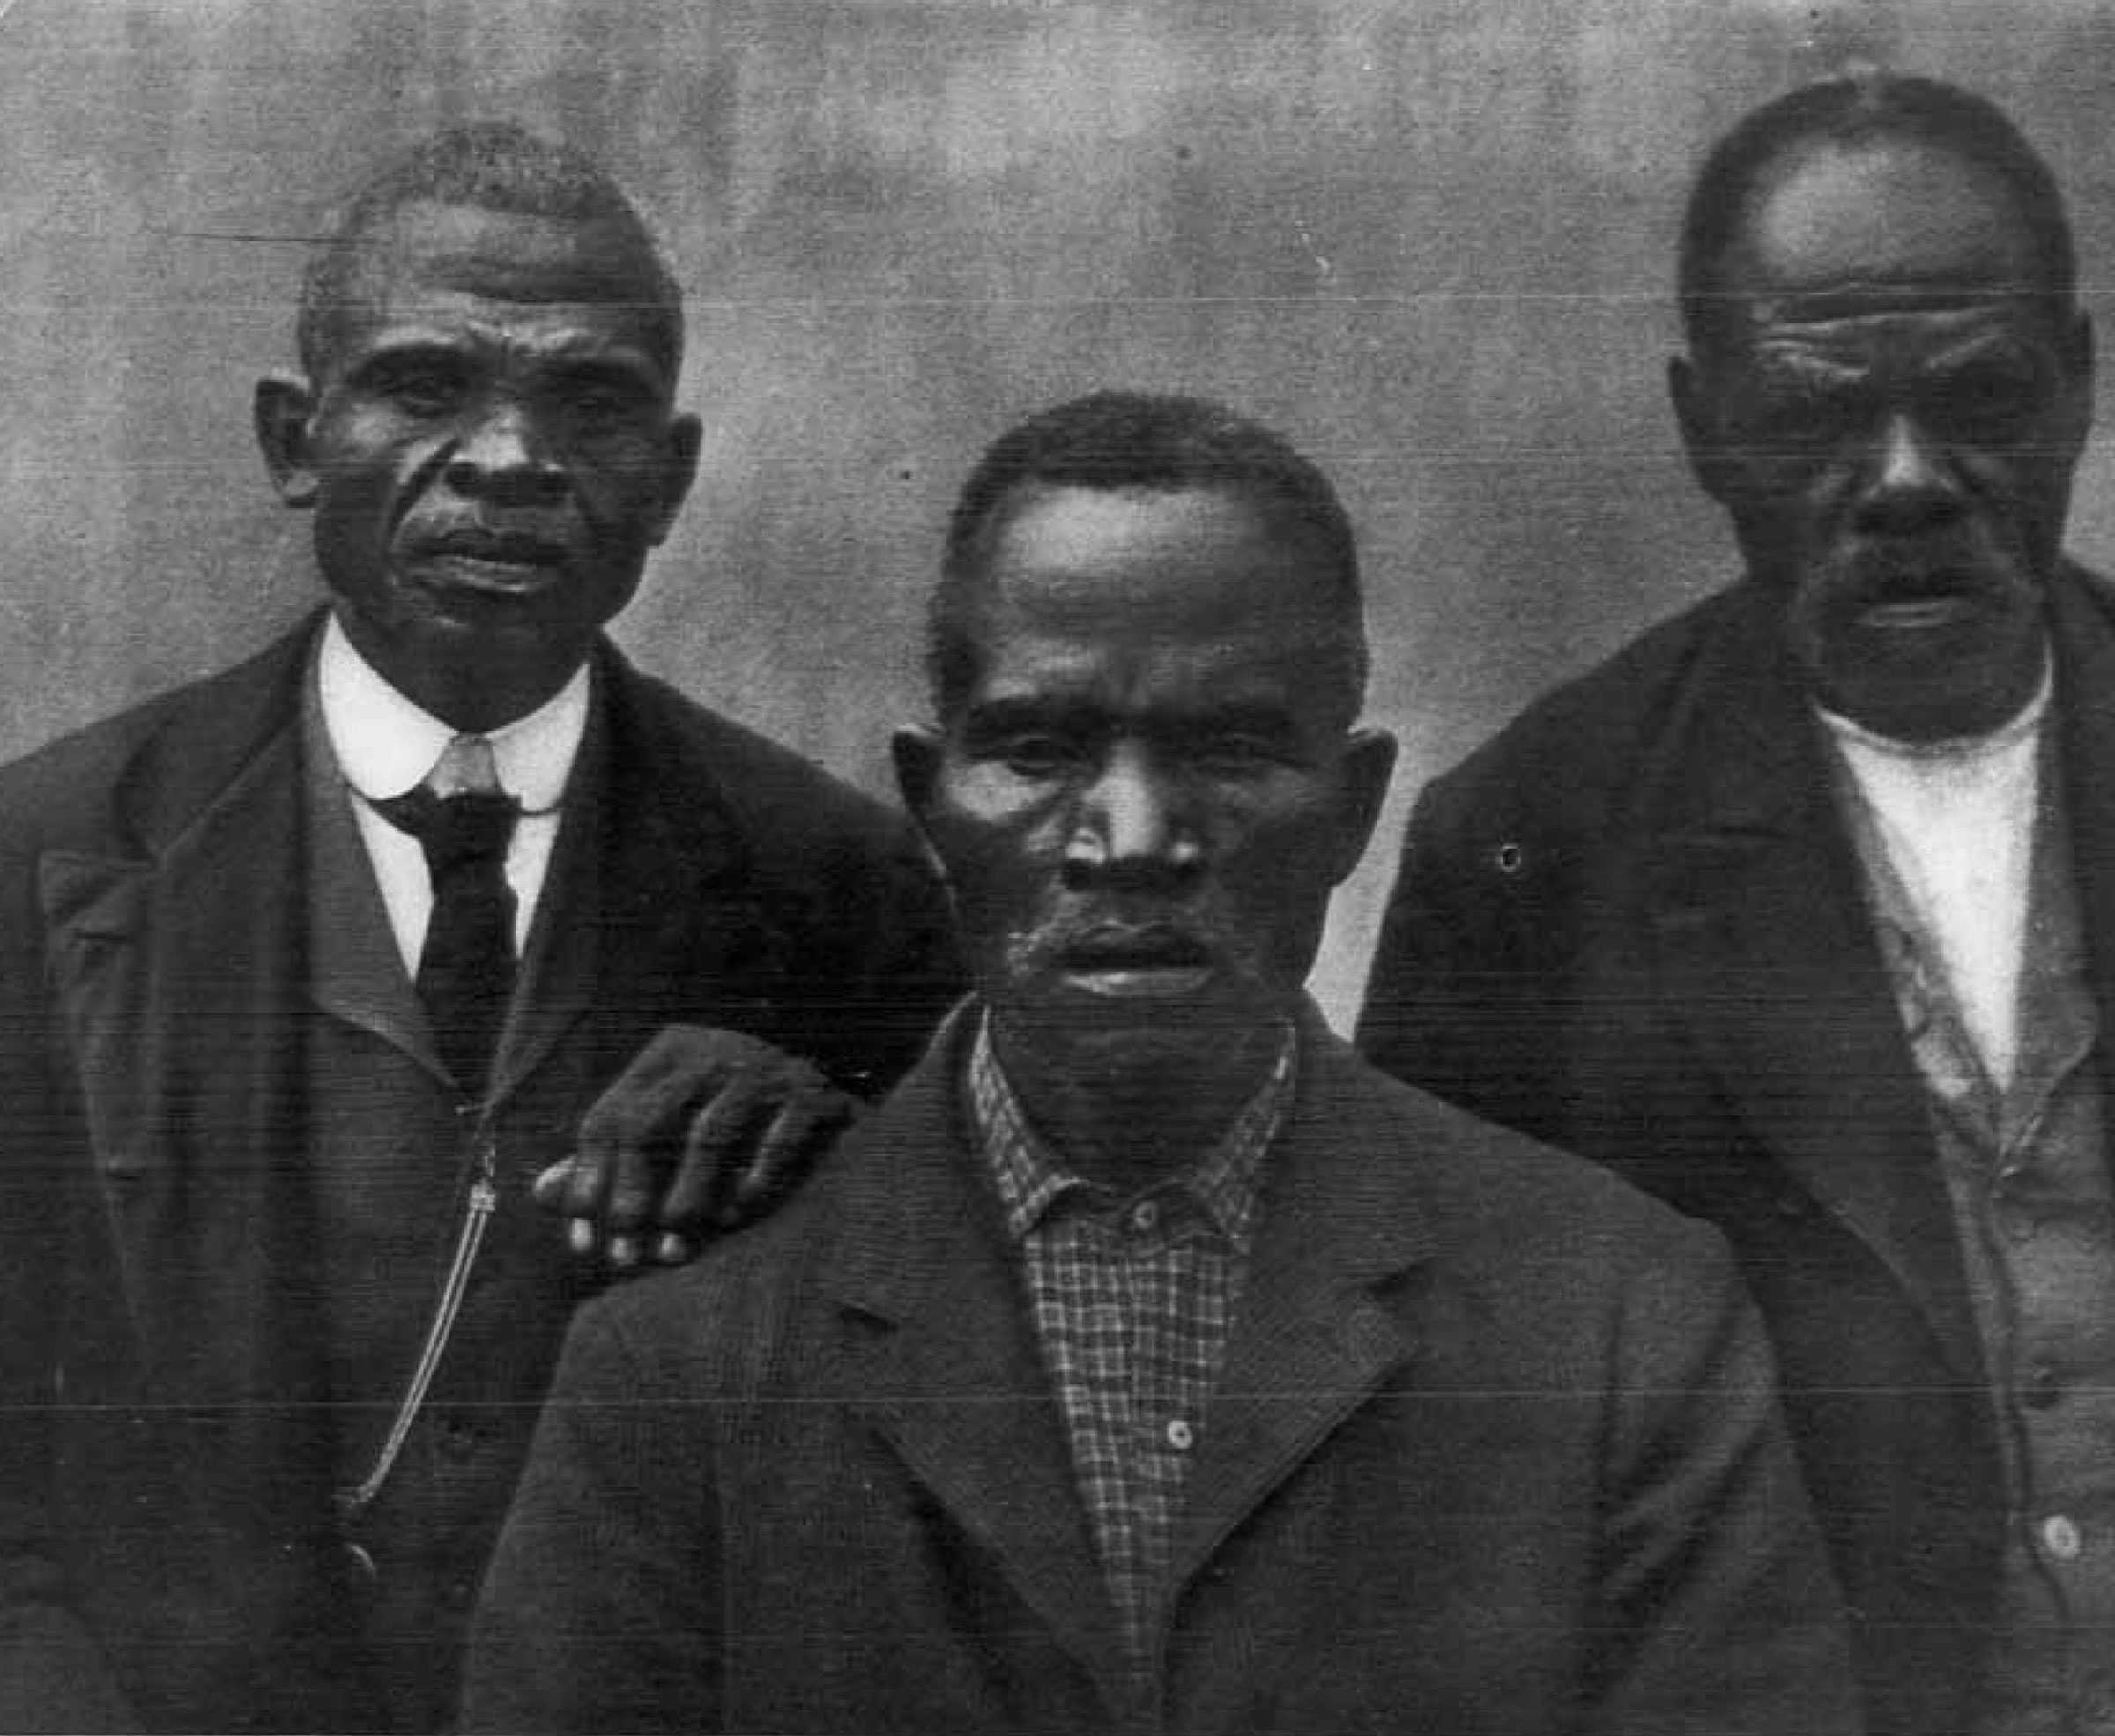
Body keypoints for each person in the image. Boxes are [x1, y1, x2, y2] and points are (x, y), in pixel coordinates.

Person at [461, 390, 1859, 1736]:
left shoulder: (1624, 1323)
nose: (1133, 833)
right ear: (928, 802)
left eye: (1231, 745)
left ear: (1357, 807)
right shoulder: (678, 1365)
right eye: (1040, 746)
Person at [0, 123, 959, 1734]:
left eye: (590, 401)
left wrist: (841, 1155)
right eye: (427, 386)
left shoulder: (841, 889)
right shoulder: (42, 858)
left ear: (672, 471)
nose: (510, 458)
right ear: (297, 438)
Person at [1359, 72, 2112, 1736]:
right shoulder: (1530, 849)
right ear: (1704, 426)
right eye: (1813, 415)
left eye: (1980, 394)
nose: (1907, 478)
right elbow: (1444, 1466)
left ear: (2079, 381)